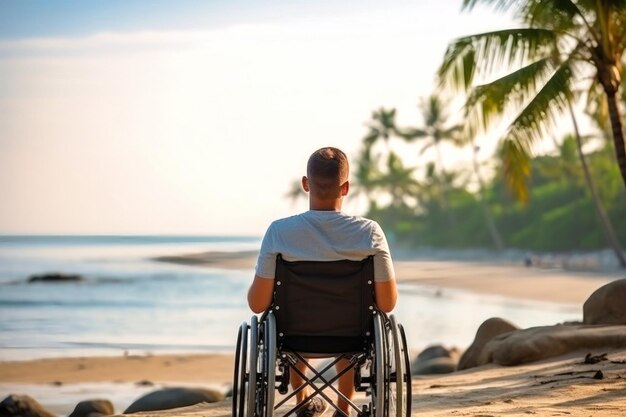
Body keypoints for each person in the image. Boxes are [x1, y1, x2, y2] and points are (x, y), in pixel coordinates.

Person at [247, 147, 398, 417]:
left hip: (292, 337)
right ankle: (343, 409)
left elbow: (257, 304)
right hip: (353, 336)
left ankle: (303, 402)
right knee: (351, 321)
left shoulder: (279, 233)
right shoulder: (369, 233)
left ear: (306, 184)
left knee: (288, 319)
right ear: (346, 188)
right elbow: (387, 304)